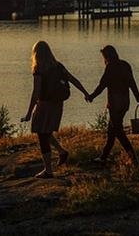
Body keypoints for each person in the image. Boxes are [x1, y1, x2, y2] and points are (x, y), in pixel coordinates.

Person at [21, 41, 89, 178]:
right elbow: (73, 79)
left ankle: (48, 170)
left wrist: (29, 113)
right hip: (57, 104)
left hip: (45, 104)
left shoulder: (39, 69)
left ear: (36, 54)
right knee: (46, 131)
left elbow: (36, 92)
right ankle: (62, 152)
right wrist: (85, 92)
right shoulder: (58, 66)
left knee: (42, 134)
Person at [86, 45, 139, 165]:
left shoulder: (110, 67)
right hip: (124, 102)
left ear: (107, 56)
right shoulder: (125, 65)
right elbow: (132, 83)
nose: (104, 59)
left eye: (104, 57)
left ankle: (133, 158)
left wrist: (91, 96)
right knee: (111, 130)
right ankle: (103, 157)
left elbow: (102, 85)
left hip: (115, 103)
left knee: (118, 131)